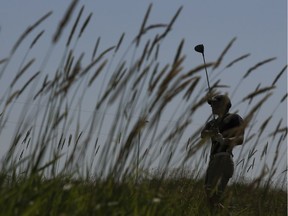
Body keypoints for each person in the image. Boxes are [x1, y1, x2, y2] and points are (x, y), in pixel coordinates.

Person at [201, 94, 245, 210]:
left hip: (223, 158)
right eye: (211, 104)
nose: (212, 106)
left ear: (224, 105)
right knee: (211, 197)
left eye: (215, 103)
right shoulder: (212, 123)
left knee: (211, 195)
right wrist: (212, 133)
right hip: (214, 160)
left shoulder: (234, 118)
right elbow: (202, 134)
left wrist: (224, 140)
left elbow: (240, 139)